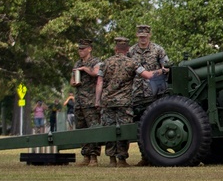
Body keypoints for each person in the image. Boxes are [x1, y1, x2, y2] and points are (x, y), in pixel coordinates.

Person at [96, 37, 157, 167]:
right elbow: (148, 75)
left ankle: (112, 159)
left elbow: (99, 82)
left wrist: (97, 101)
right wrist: (162, 71)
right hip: (124, 102)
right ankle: (122, 160)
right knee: (123, 130)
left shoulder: (105, 63)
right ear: (127, 49)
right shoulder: (132, 63)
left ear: (115, 49)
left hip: (107, 102)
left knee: (109, 129)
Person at [127, 24, 170, 118]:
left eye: (145, 36)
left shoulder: (158, 50)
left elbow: (167, 67)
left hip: (155, 91)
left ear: (149, 35)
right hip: (137, 92)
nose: (143, 39)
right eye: (141, 36)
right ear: (137, 35)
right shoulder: (131, 51)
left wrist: (155, 73)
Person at [72, 39, 104, 165]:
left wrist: (85, 69)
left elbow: (96, 73)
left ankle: (93, 156)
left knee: (93, 128)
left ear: (89, 49)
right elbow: (72, 81)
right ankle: (85, 155)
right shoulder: (77, 63)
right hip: (79, 101)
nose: (80, 51)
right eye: (79, 49)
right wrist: (75, 80)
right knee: (81, 129)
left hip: (90, 101)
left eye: (83, 49)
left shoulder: (95, 62)